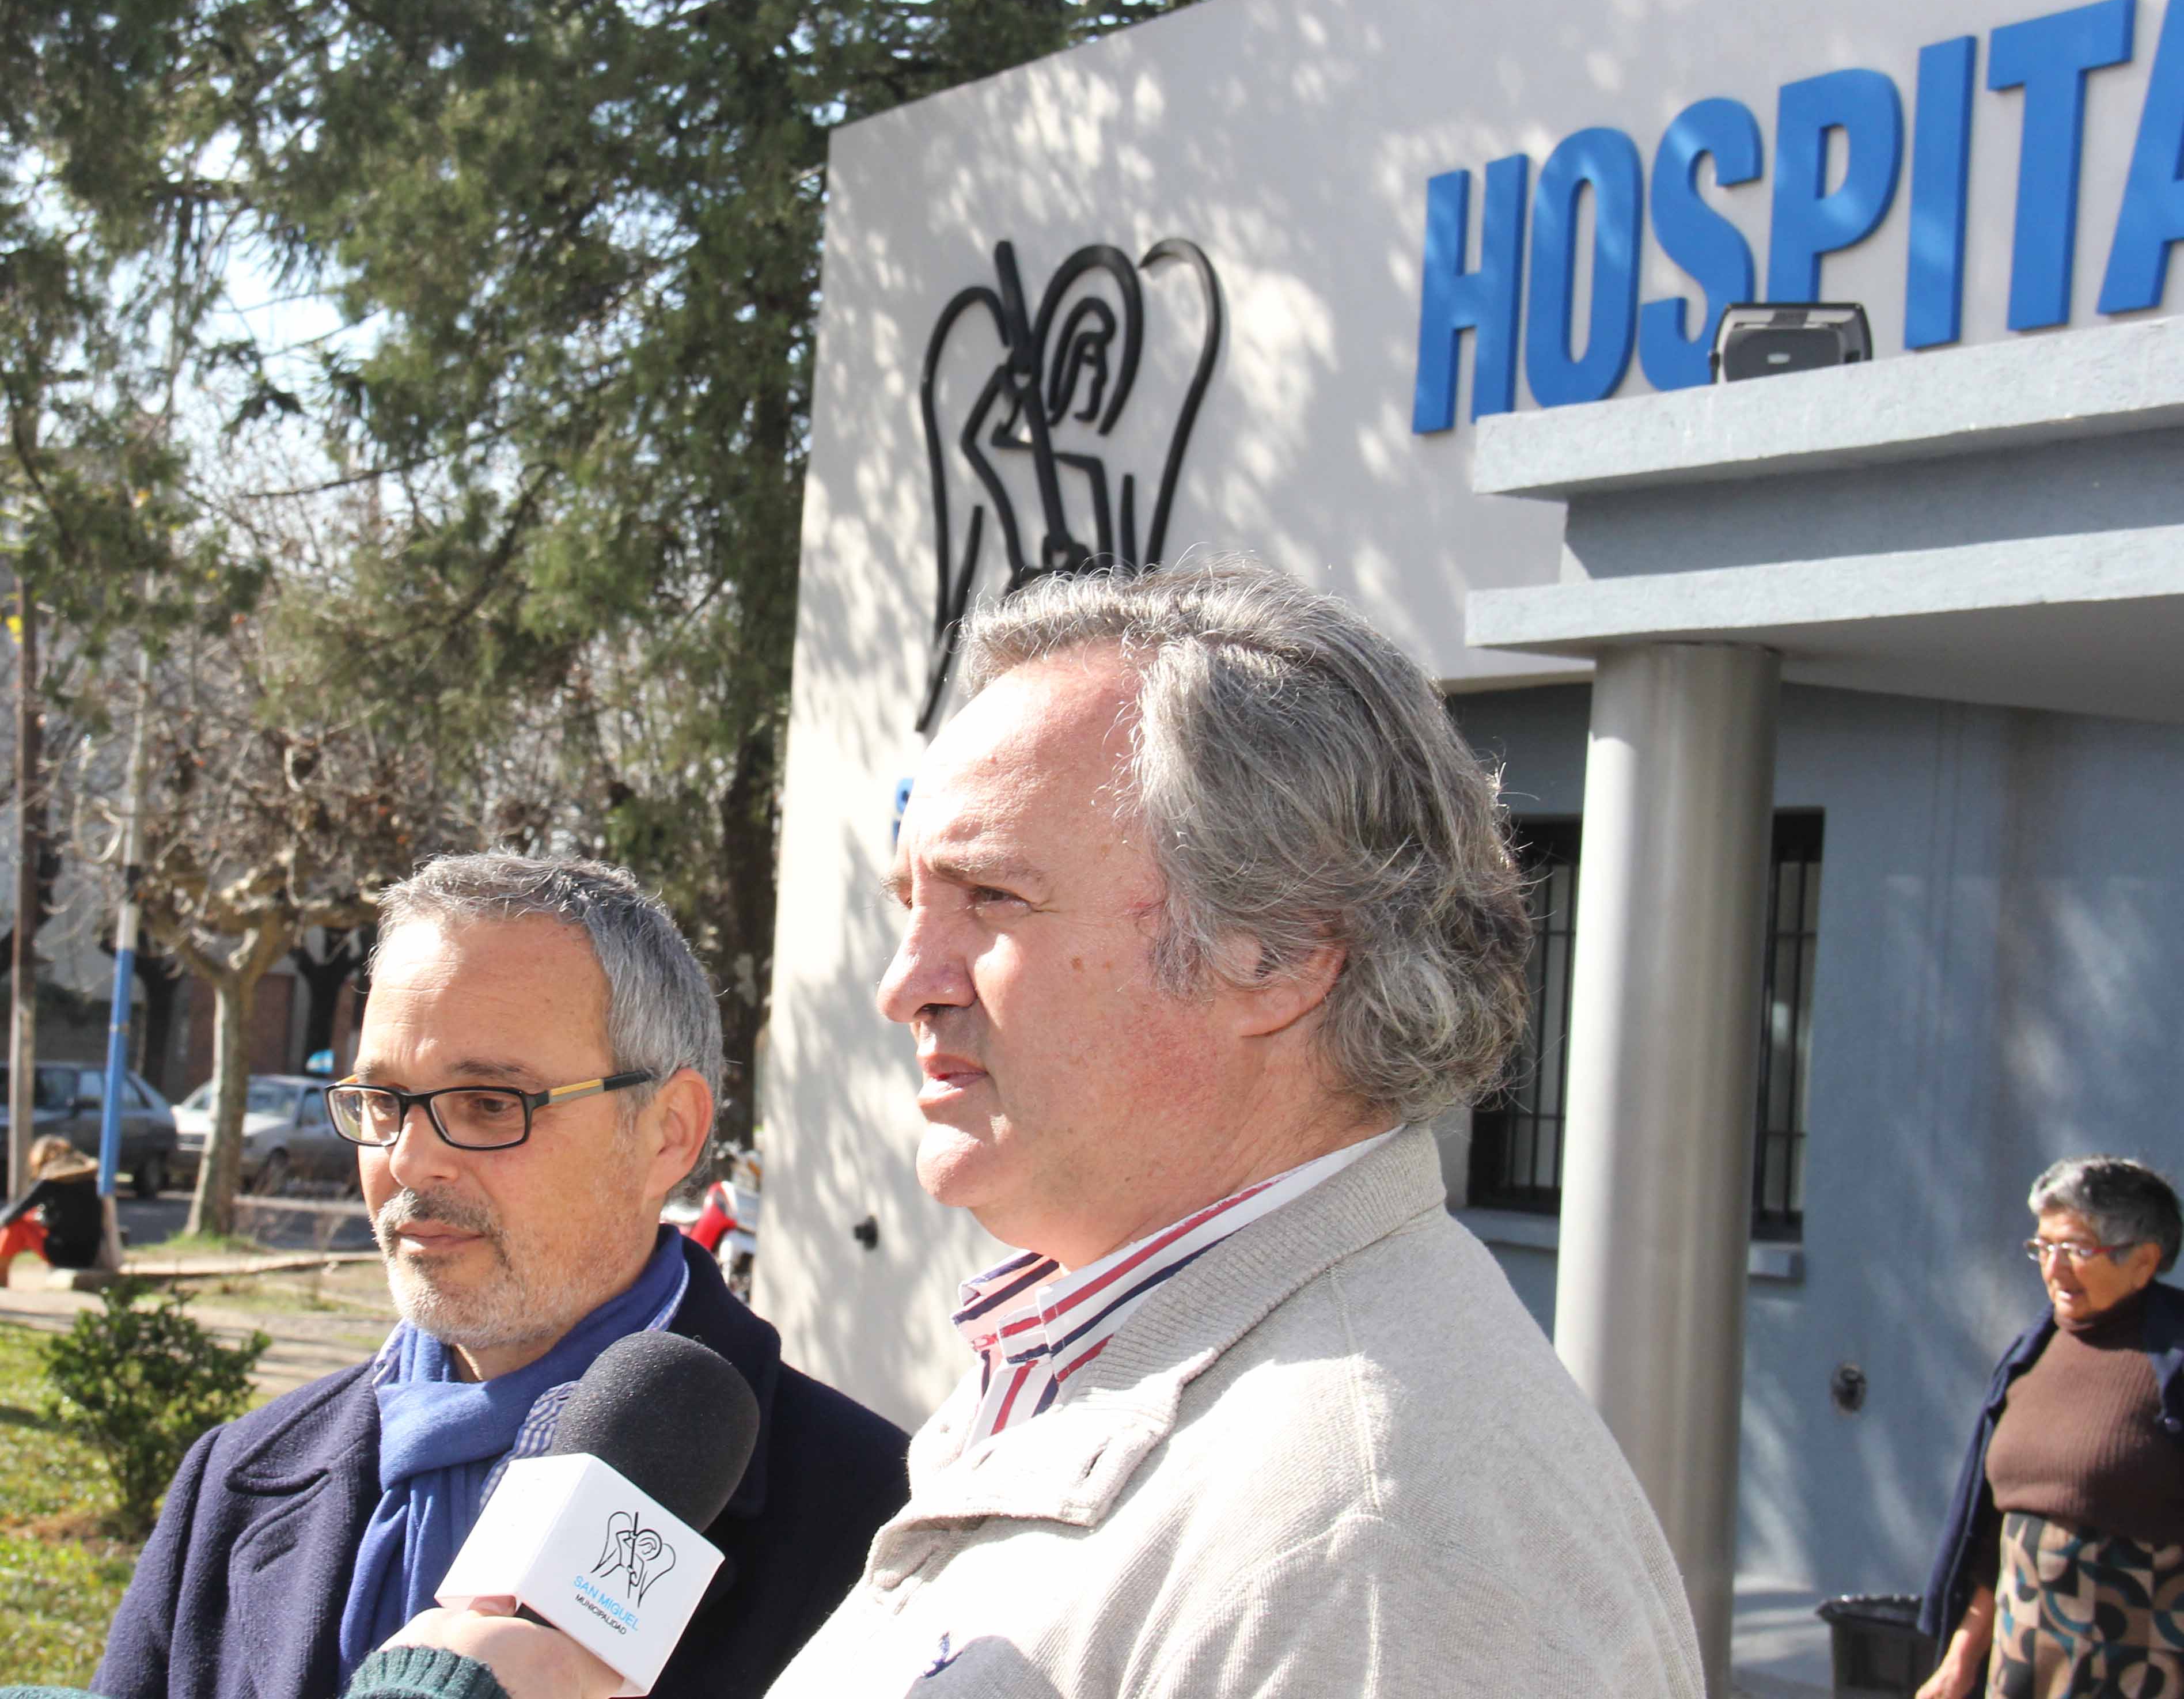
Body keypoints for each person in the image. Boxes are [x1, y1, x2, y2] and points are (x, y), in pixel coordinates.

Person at [385, 563, 1705, 1698]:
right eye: (909, 898)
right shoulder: (1091, 1361)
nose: (909, 979)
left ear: (1283, 949)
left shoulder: (1373, 1540)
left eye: (992, 896)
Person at [95, 854, 910, 1699]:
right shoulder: (234, 1480)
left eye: (489, 1103)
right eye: (381, 1101)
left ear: (669, 1132)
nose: (409, 1160)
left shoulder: (873, 1518)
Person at [1917, 1155, 2184, 1699]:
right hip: (2024, 1666)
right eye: (2045, 1247)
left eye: (2078, 1250)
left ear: (2144, 1261)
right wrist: (1961, 1658)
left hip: (2141, 1671)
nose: (2054, 1268)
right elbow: (1995, 1533)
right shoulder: (2032, 1355)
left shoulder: (2173, 1363)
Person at [0, 1135, 102, 1276]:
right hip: (88, 1255)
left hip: (64, 1255)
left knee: (17, 1225)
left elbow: (14, 1213)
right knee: (29, 1217)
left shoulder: (52, 1180)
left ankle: (1, 1277)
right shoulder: (89, 1178)